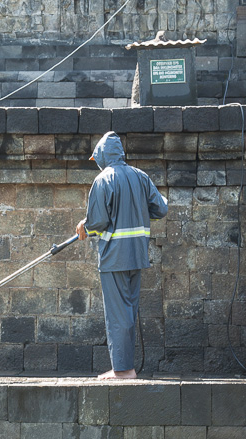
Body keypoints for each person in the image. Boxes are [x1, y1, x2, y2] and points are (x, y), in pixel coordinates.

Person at [76, 131, 168, 380]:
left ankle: (123, 370)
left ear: (103, 156)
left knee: (118, 315)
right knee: (128, 312)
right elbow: (161, 208)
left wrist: (84, 226)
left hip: (114, 257)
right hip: (137, 255)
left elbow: (98, 221)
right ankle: (126, 367)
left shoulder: (103, 180)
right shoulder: (141, 177)